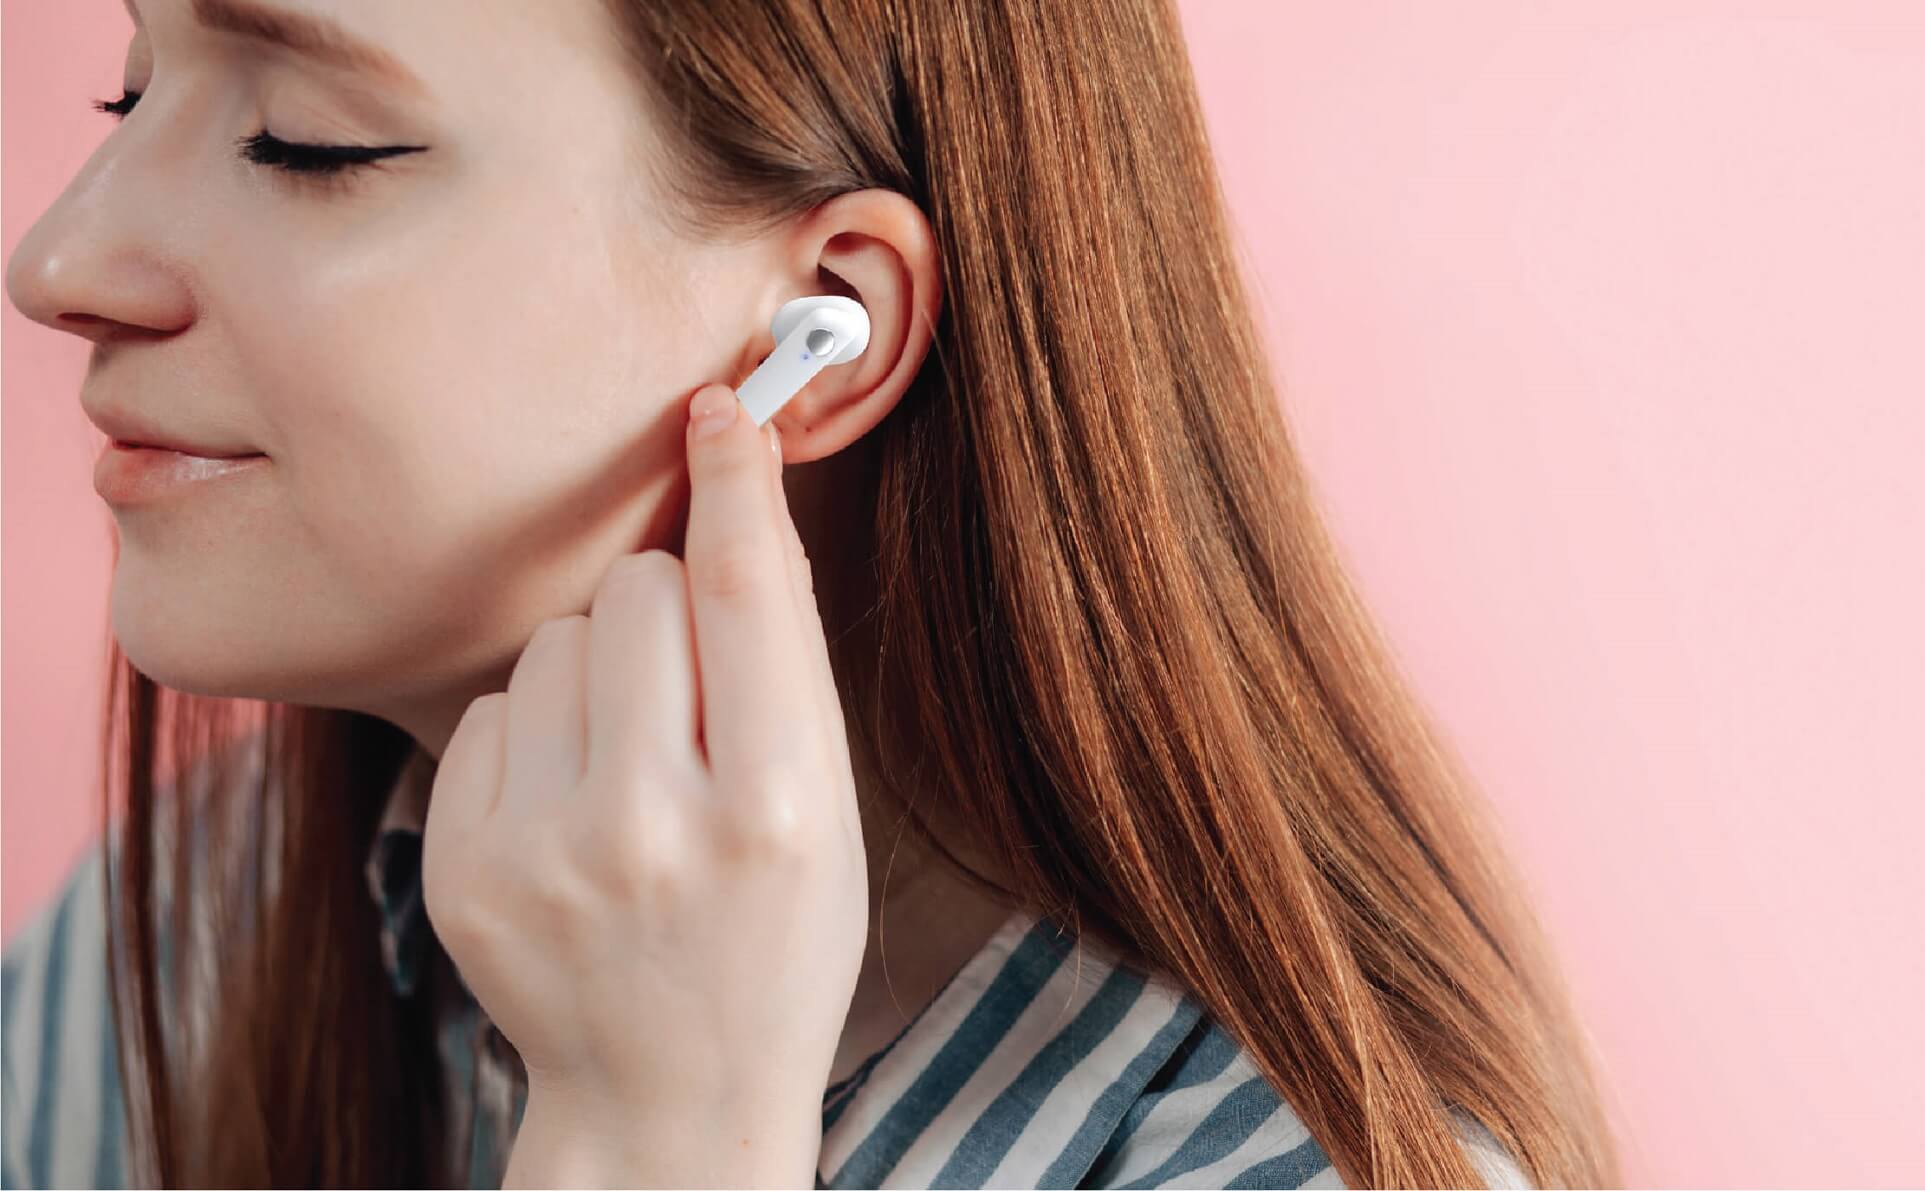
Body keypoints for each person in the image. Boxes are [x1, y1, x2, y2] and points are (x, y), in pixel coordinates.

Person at [1, 0, 1621, 1186]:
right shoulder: (199, 921)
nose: (59, 264)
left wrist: (659, 1142)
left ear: (821, 333)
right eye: (128, 92)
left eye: (307, 141)